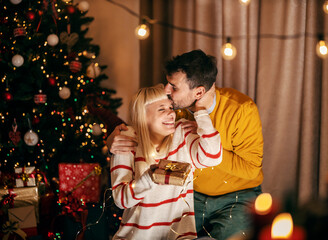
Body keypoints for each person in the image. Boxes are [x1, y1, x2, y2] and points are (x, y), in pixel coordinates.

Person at [107, 49, 264, 240]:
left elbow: (251, 169)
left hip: (236, 196)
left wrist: (197, 136)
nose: (166, 90)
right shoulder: (177, 112)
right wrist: (113, 138)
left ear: (198, 92)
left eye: (173, 87)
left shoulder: (241, 110)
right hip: (194, 195)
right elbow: (145, 124)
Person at [110, 84, 222, 240]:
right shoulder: (127, 141)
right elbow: (121, 200)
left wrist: (201, 113)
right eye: (161, 109)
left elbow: (213, 157)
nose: (171, 114)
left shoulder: (182, 134)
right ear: (142, 115)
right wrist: (151, 177)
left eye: (171, 107)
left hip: (180, 237)